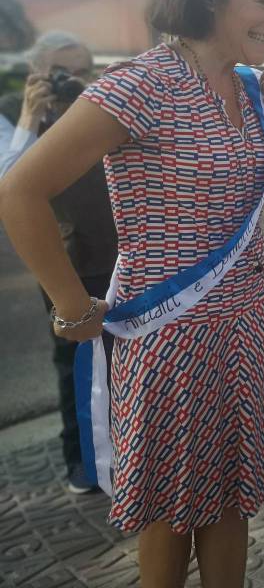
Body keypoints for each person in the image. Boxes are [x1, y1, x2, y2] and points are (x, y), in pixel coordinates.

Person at [0, 0, 264, 587]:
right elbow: (19, 191)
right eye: (263, 1)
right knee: (171, 511)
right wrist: (71, 305)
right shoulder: (142, 84)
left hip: (247, 322)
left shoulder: (250, 87)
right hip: (170, 336)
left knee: (230, 495)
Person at [0, 31, 114, 495]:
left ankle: (128, 451)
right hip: (68, 264)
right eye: (66, 72)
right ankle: (84, 461)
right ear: (39, 74)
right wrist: (31, 117)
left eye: (86, 69)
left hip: (123, 256)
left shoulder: (105, 110)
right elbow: (9, 187)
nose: (77, 80)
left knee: (128, 363)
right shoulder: (16, 113)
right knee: (77, 368)